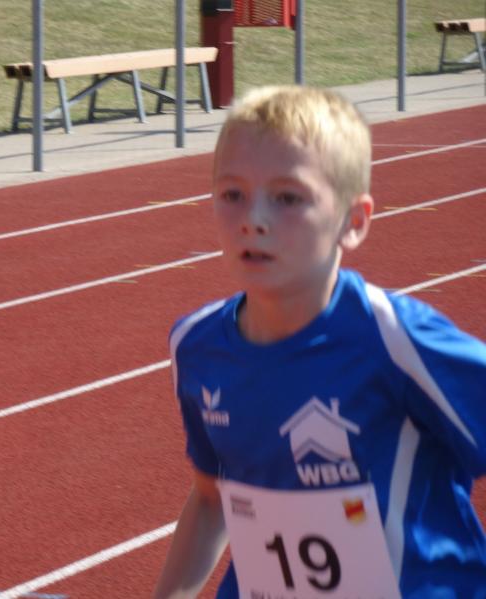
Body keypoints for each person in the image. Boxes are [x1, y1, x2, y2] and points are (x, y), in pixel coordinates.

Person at [152, 85, 486, 598]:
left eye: (288, 198)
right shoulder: (197, 345)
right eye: (232, 194)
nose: (253, 220)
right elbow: (212, 498)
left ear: (354, 222)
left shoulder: (393, 338)